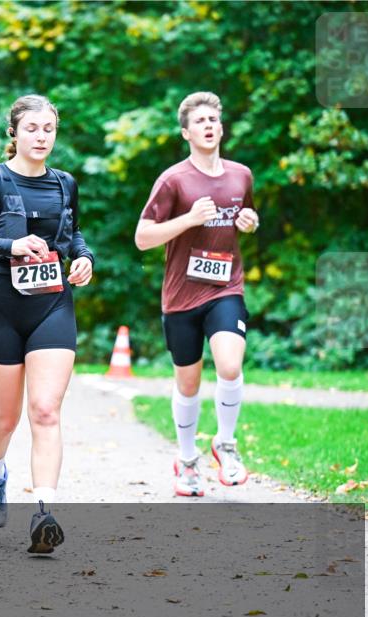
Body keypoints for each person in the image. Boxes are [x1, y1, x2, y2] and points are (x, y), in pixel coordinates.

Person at [0, 94, 94, 554]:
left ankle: (43, 512)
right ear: (13, 132)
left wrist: (84, 258)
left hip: (52, 305)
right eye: (32, 128)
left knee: (46, 410)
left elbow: (74, 234)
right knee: (5, 419)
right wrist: (9, 247)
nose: (41, 137)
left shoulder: (65, 183)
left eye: (49, 129)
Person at [134, 91, 258, 498]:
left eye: (213, 120)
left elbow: (245, 216)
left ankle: (226, 443)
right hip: (181, 296)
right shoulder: (173, 180)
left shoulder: (241, 175)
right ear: (186, 133)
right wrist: (188, 219)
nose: (208, 126)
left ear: (221, 128)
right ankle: (187, 460)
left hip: (226, 288)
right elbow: (142, 237)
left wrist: (250, 222)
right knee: (188, 384)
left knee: (229, 365)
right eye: (200, 121)